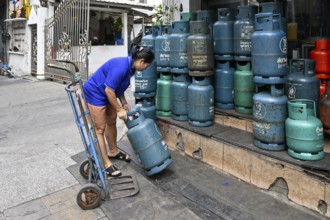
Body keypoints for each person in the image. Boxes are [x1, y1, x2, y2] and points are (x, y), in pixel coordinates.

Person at [83, 46, 155, 177]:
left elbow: (118, 86)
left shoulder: (131, 68)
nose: (146, 69)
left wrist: (124, 103)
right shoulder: (121, 67)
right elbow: (109, 90)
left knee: (111, 121)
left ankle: (113, 151)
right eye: (147, 66)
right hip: (95, 94)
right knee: (99, 129)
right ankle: (106, 163)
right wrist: (119, 109)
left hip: (107, 94)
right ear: (141, 61)